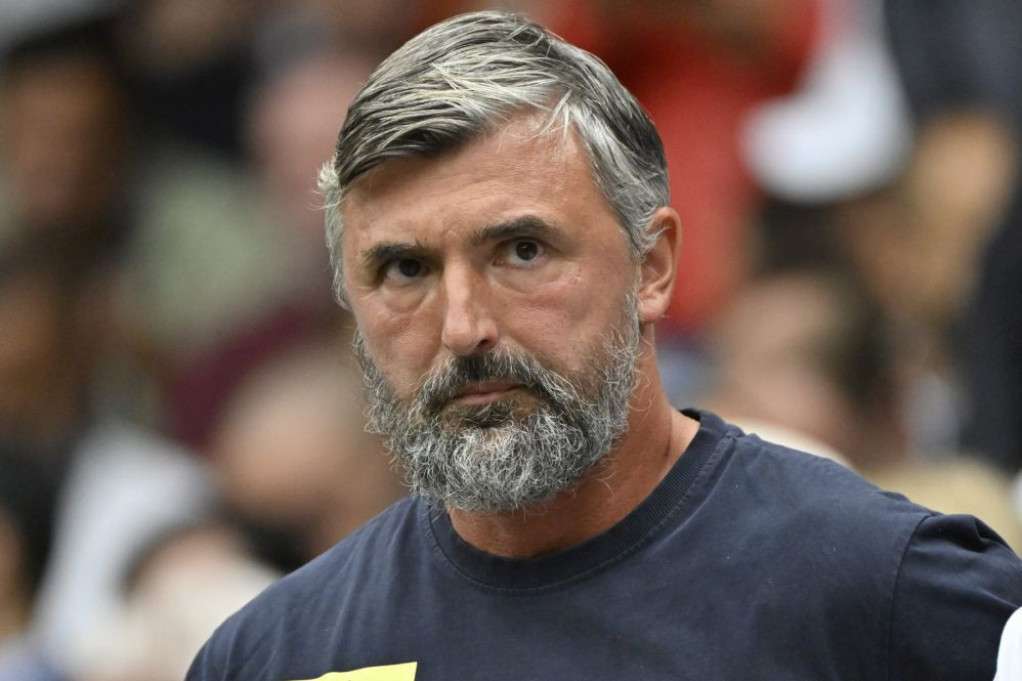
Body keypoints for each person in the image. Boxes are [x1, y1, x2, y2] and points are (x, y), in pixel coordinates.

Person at [188, 11, 1022, 680]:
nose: (463, 326)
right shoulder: (277, 654)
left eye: (521, 251)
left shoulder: (889, 592)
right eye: (405, 269)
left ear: (651, 267)